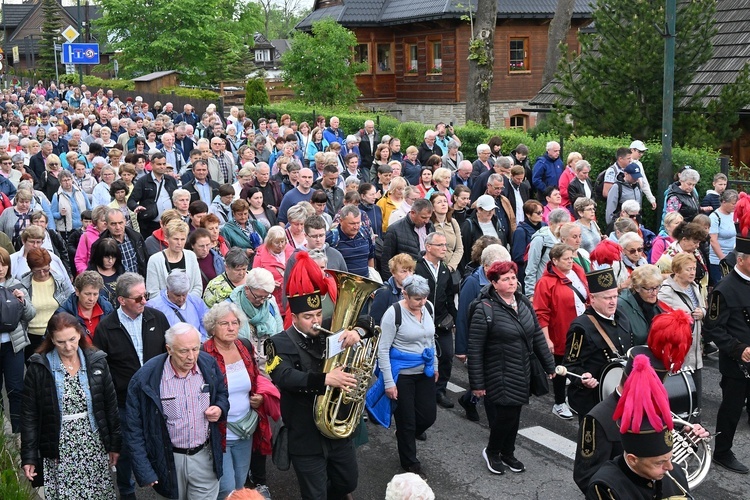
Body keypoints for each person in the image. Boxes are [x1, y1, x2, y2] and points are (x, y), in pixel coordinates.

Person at [265, 253, 370, 499]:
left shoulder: (328, 331)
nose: (315, 322)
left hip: (336, 432)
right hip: (305, 436)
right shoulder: (275, 343)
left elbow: (368, 321)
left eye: (317, 315)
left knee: (348, 483)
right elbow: (284, 377)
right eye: (308, 317)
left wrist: (358, 331)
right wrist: (325, 379)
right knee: (314, 494)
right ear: (294, 317)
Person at [21, 312, 120, 498]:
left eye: (72, 339)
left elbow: (110, 406)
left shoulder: (96, 360)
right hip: (58, 446)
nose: (68, 346)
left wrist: (115, 444)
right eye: (60, 342)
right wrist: (29, 456)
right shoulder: (39, 367)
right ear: (51, 339)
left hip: (93, 444)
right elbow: (29, 416)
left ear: (80, 333)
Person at [469, 260, 555, 475]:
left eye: (513, 277)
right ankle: (492, 451)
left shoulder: (523, 302)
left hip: (522, 370)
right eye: (505, 279)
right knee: (506, 415)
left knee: (514, 414)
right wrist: (477, 384)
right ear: (494, 283)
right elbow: (475, 349)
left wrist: (549, 365)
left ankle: (508, 453)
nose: (512, 282)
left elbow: (536, 335)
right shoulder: (484, 309)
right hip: (498, 371)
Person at [125, 323, 229, 499]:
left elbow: (222, 393)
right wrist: (144, 470)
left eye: (195, 349)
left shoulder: (208, 364)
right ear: (169, 349)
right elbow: (133, 427)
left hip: (204, 456)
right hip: (168, 460)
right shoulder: (146, 378)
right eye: (183, 351)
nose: (191, 357)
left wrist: (219, 408)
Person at [92, 272, 170, 499]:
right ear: (121, 300)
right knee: (126, 449)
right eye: (137, 298)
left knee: (162, 442)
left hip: (158, 396)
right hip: (125, 402)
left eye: (145, 295)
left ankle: (167, 486)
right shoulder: (106, 328)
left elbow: (169, 354)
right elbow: (101, 369)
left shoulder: (157, 318)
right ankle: (126, 491)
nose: (144, 301)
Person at [202, 302, 281, 500]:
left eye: (235, 323)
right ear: (213, 326)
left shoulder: (244, 345)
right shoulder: (204, 353)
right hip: (221, 432)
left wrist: (260, 396)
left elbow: (256, 378)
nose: (231, 328)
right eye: (224, 323)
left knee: (240, 481)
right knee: (226, 487)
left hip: (246, 429)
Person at [585, 353, 691, 499]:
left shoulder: (676, 473)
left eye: (670, 458)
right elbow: (585, 473)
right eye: (660, 462)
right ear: (632, 460)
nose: (670, 467)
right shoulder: (606, 488)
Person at [373, 275, 437, 475]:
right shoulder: (394, 313)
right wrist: (389, 383)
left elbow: (430, 339)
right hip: (402, 374)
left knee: (428, 416)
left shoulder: (428, 307)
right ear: (405, 294)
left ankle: (404, 435)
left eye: (424, 298)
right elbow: (382, 349)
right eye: (417, 299)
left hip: (424, 370)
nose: (421, 302)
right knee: (407, 421)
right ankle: (410, 462)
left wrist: (434, 364)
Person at [703, 236, 750, 474]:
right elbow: (713, 328)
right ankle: (722, 451)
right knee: (731, 409)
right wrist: (738, 349)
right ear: (740, 260)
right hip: (737, 362)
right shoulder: (724, 289)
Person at [563, 268, 634, 418]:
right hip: (593, 401)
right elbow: (570, 364)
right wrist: (583, 377)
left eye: (615, 296)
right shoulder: (581, 327)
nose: (613, 301)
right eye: (607, 298)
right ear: (592, 298)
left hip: (620, 396)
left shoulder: (621, 315)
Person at [533, 244, 588, 421]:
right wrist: (546, 338)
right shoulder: (545, 283)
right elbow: (541, 312)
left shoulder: (577, 271)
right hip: (560, 331)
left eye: (572, 258)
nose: (571, 262)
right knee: (560, 369)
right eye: (566, 259)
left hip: (581, 329)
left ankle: (575, 398)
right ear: (554, 261)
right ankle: (559, 403)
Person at [658, 253, 706, 413]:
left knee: (697, 400)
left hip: (696, 353)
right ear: (677, 271)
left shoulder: (694, 287)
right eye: (688, 269)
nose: (693, 272)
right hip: (679, 355)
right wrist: (685, 318)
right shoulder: (666, 291)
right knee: (680, 398)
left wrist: (702, 312)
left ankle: (695, 426)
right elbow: (662, 320)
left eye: (693, 269)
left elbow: (702, 307)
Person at [415, 233, 457, 409]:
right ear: (428, 246)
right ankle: (420, 389)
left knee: (447, 355)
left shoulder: (445, 268)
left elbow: (449, 294)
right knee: (420, 356)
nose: (444, 249)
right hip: (420, 320)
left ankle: (440, 390)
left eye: (445, 245)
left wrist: (452, 317)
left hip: (440, 320)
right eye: (440, 245)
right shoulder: (417, 267)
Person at [0, 247, 34, 433]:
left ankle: (18, 431)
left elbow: (30, 314)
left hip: (14, 346)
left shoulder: (17, 285)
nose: (0, 268)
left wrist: (23, 301)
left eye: (3, 264)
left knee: (16, 389)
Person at [20, 248, 75, 359]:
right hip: (32, 336)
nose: (42, 274)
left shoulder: (60, 282)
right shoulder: (23, 285)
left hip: (58, 334)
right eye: (37, 271)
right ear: (31, 269)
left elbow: (71, 303)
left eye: (45, 269)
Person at [146, 219, 203, 299]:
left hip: (189, 306)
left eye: (182, 239)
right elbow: (153, 292)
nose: (179, 243)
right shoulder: (155, 260)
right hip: (164, 309)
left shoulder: (191, 256)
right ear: (167, 238)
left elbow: (197, 287)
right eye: (175, 239)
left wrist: (186, 303)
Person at [148, 269, 210, 341]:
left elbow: (206, 323)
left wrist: (201, 341)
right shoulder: (153, 306)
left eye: (184, 294)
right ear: (168, 289)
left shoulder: (195, 301)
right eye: (177, 295)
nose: (181, 299)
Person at [616, 265, 669, 345]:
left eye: (657, 287)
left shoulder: (656, 305)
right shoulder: (621, 306)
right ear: (637, 287)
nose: (654, 293)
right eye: (649, 289)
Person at [524, 208, 570, 299]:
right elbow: (531, 267)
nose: (562, 229)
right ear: (551, 224)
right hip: (544, 289)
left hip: (561, 288)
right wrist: (530, 294)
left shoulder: (564, 238)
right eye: (560, 226)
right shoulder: (540, 240)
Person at [57, 271, 115, 339]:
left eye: (95, 294)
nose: (91, 299)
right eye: (87, 294)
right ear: (77, 292)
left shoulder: (107, 308)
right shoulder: (63, 314)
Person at [655, 221, 708, 290]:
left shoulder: (696, 252)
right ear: (684, 239)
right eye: (695, 242)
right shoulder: (668, 257)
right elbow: (657, 276)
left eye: (699, 243)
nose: (697, 246)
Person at [99, 208, 147, 276]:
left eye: (120, 223)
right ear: (106, 225)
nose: (118, 227)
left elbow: (144, 261)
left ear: (125, 221)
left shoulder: (136, 237)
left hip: (138, 282)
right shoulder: (100, 245)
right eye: (113, 224)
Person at [252, 226, 293, 307]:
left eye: (282, 241)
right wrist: (268, 283)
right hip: (272, 301)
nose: (281, 245)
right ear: (270, 242)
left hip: (291, 299)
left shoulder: (292, 251)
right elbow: (254, 280)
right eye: (277, 242)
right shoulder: (260, 256)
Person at [430, 191, 463, 277]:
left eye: (445, 201)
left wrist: (451, 266)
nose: (443, 204)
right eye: (439, 202)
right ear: (432, 207)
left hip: (452, 270)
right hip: (434, 269)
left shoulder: (453, 222)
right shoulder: (429, 224)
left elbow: (459, 248)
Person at [708, 189, 738, 285]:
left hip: (733, 257)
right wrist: (723, 259)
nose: (735, 206)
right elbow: (713, 240)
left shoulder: (734, 215)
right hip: (718, 260)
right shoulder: (714, 217)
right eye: (733, 203)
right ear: (724, 202)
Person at [75, 204, 109, 274]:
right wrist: (86, 274)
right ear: (96, 221)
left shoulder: (112, 234)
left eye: (107, 220)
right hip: (92, 275)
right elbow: (79, 260)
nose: (105, 223)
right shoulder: (86, 236)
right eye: (103, 221)